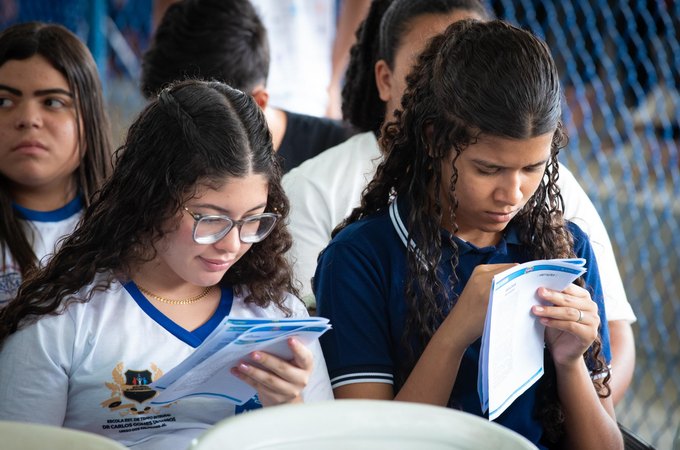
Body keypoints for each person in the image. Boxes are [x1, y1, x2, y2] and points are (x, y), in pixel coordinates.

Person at [282, 0, 635, 404]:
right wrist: (455, 332)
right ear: (433, 138)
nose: (512, 193)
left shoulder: (563, 245)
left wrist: (571, 362)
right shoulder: (360, 256)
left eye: (533, 169)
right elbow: (370, 436)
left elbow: (606, 432)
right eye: (487, 170)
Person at [0, 79, 333, 450]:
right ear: (151, 197)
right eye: (210, 219)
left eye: (253, 219)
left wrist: (289, 406)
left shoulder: (280, 317)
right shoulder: (62, 322)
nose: (232, 243)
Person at [141, 0, 354, 173]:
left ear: (258, 102)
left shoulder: (342, 160)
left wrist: (333, 82)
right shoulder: (167, 151)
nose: (180, 138)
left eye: (195, 123)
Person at [0, 22, 113, 307]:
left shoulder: (134, 230)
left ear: (90, 118)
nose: (28, 118)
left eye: (52, 102)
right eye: (3, 102)